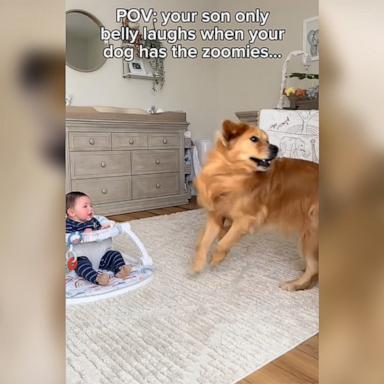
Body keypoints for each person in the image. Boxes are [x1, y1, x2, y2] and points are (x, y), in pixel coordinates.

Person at [66, 191, 131, 285]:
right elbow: (67, 236)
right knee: (80, 265)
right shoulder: (69, 224)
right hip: (81, 257)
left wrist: (103, 228)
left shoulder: (93, 220)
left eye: (91, 206)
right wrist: (79, 235)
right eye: (85, 206)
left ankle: (120, 270)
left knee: (114, 254)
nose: (90, 209)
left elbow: (99, 228)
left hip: (101, 256)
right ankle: (97, 278)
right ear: (72, 212)